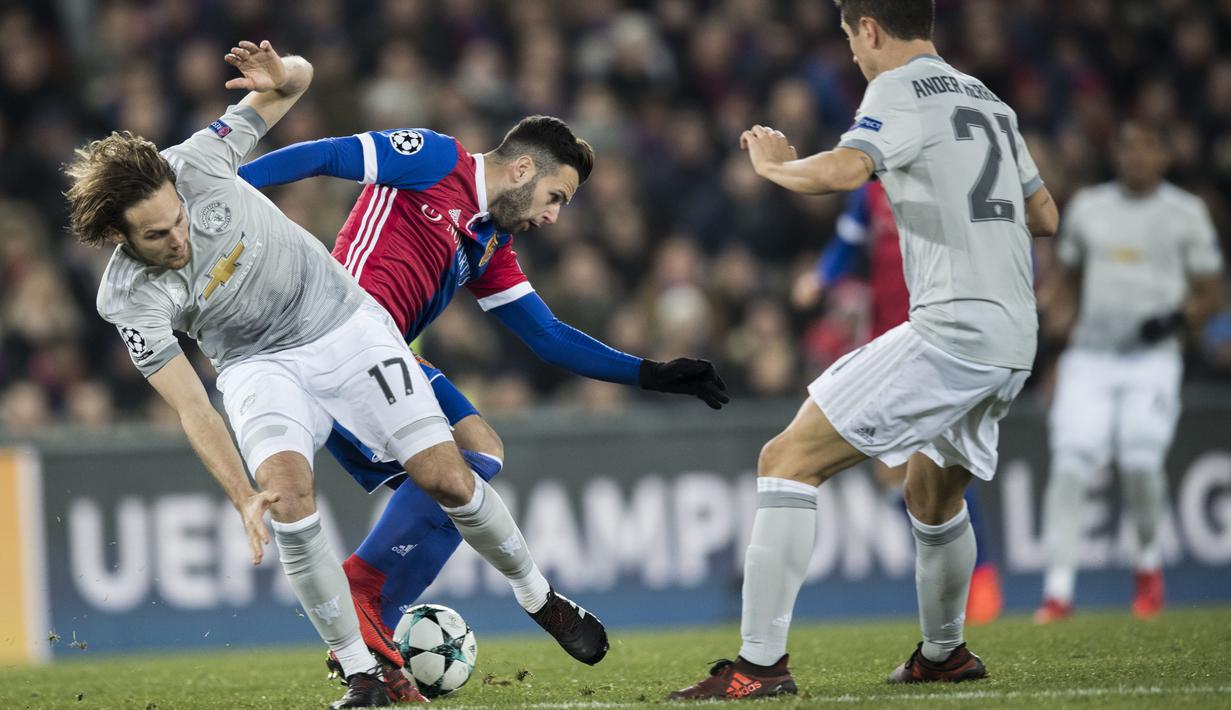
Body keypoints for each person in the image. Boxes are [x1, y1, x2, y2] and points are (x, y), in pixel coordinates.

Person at [66, 41, 606, 709]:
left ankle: (539, 597)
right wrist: (241, 495)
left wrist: (281, 74)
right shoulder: (127, 299)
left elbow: (296, 84)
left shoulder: (198, 161)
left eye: (178, 220)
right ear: (119, 239)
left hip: (343, 322)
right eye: (157, 238)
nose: (179, 240)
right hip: (254, 364)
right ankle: (361, 676)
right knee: (289, 502)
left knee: (448, 476)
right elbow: (192, 407)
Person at [238, 115, 728, 697]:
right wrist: (225, 187)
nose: (553, 216)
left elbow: (547, 335)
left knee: (479, 459)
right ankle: (368, 591)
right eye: (555, 197)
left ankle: (379, 637)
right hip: (333, 347)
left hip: (386, 356)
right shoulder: (435, 159)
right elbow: (327, 154)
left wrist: (651, 373)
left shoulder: (489, 242)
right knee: (463, 467)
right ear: (522, 168)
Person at [670, 0, 1058, 699]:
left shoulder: (897, 88)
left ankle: (758, 667)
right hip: (1012, 334)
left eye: (851, 40)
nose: (853, 55)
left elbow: (847, 171)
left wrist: (772, 167)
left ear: (870, 29)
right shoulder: (987, 100)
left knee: (785, 461)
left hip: (953, 327)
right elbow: (1044, 214)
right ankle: (944, 656)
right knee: (931, 492)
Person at [1034, 122, 1224, 624]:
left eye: (1145, 148)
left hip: (1152, 359)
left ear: (1163, 155)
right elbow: (1068, 282)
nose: (1134, 158)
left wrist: (1179, 317)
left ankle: (1147, 566)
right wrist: (1049, 321)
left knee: (1140, 461)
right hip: (1091, 356)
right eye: (1126, 148)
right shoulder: (1091, 208)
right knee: (1071, 463)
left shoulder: (1185, 213)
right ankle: (1057, 590)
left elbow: (1211, 288)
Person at [796, 181, 1004, 626]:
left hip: (942, 341)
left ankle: (979, 578)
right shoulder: (872, 191)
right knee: (890, 471)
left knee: (947, 461)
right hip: (887, 345)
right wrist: (822, 277)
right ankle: (949, 573)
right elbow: (847, 244)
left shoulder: (947, 179)